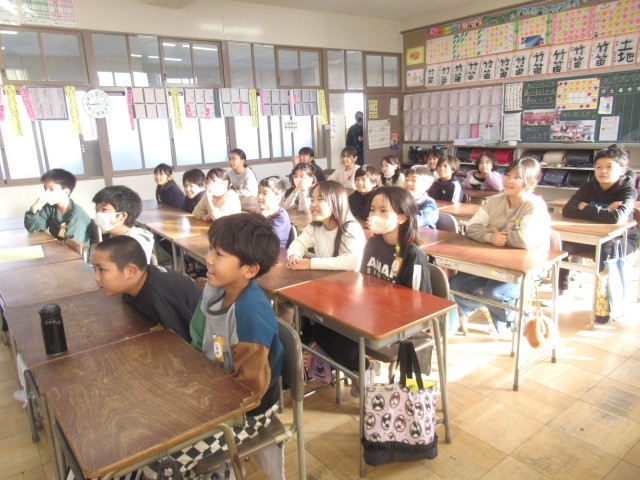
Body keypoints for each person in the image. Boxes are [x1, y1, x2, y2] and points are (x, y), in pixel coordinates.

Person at [170, 213, 284, 476]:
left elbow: (250, 391)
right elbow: (198, 338)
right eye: (211, 248)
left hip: (248, 413)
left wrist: (204, 402)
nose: (208, 258)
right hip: (212, 387)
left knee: (165, 458)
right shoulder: (213, 290)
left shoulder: (250, 314)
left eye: (219, 254)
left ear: (249, 270)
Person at [449, 158, 550, 334]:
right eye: (507, 175)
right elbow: (472, 228)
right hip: (494, 263)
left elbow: (525, 240)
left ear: (531, 183)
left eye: (517, 177)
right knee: (454, 285)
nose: (509, 180)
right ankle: (493, 310)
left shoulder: (534, 206)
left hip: (527, 269)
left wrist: (498, 231)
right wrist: (491, 235)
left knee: (495, 294)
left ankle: (511, 320)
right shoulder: (495, 201)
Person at [560, 144, 639, 295]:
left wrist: (586, 207)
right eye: (598, 167)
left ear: (622, 170)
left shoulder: (628, 190)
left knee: (607, 251)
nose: (603, 171)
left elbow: (616, 217)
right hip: (591, 235)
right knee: (560, 246)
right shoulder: (589, 186)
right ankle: (561, 288)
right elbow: (568, 210)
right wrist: (605, 209)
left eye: (609, 167)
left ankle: (604, 297)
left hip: (623, 238)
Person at [92, 235, 201, 342]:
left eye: (101, 270)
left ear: (131, 272)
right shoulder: (135, 283)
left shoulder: (158, 297)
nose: (96, 278)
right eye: (94, 269)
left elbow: (180, 343)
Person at [287, 180, 365, 271]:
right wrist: (294, 255)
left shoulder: (351, 228)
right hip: (325, 277)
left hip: (348, 279)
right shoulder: (316, 227)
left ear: (336, 201)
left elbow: (351, 261)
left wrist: (310, 263)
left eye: (320, 199)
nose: (313, 204)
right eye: (312, 200)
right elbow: (300, 242)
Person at [24, 168, 91, 249]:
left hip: (75, 254)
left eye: (51, 189)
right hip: (58, 248)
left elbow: (73, 246)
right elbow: (34, 229)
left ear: (66, 192)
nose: (46, 193)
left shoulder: (76, 216)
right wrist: (34, 208)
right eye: (45, 189)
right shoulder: (50, 207)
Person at [92, 185, 154, 262]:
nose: (98, 214)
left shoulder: (134, 244)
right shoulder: (115, 236)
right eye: (97, 210)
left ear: (123, 216)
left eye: (104, 209)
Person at [257, 176, 292, 248]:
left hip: (273, 252)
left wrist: (261, 217)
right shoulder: (266, 213)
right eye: (259, 192)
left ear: (278, 198)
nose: (259, 196)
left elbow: (265, 239)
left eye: (265, 193)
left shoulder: (281, 217)